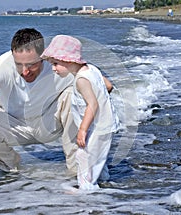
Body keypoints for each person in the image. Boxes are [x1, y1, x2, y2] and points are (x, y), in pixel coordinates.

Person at [0, 28, 113, 175]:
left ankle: (77, 172)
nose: (25, 71)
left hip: (51, 122)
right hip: (15, 124)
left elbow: (105, 86)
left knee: (73, 94)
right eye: (19, 64)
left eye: (31, 65)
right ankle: (17, 174)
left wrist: (97, 129)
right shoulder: (2, 65)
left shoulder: (59, 65)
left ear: (44, 56)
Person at [41, 35, 120, 190]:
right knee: (96, 156)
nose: (53, 68)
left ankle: (86, 190)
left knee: (83, 156)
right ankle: (103, 179)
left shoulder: (81, 79)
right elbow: (109, 86)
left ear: (69, 60)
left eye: (56, 63)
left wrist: (82, 130)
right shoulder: (92, 69)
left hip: (96, 127)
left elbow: (92, 105)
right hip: (104, 124)